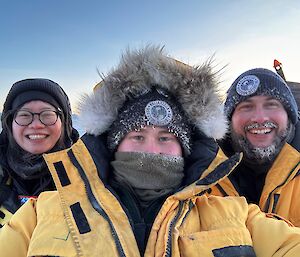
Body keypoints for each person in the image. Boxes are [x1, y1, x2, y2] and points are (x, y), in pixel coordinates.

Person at [1, 46, 300, 257]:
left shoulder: (235, 213)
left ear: (186, 150)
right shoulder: (41, 213)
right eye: (137, 136)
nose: (152, 151)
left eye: (167, 138)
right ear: (113, 144)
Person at [214, 68, 300, 226]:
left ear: (289, 115)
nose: (260, 118)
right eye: (246, 107)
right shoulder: (203, 176)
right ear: (229, 119)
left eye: (271, 105)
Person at [0, 78, 79, 227]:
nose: (36, 125)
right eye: (24, 115)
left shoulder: (90, 175)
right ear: (10, 123)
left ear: (64, 123)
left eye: (47, 114)